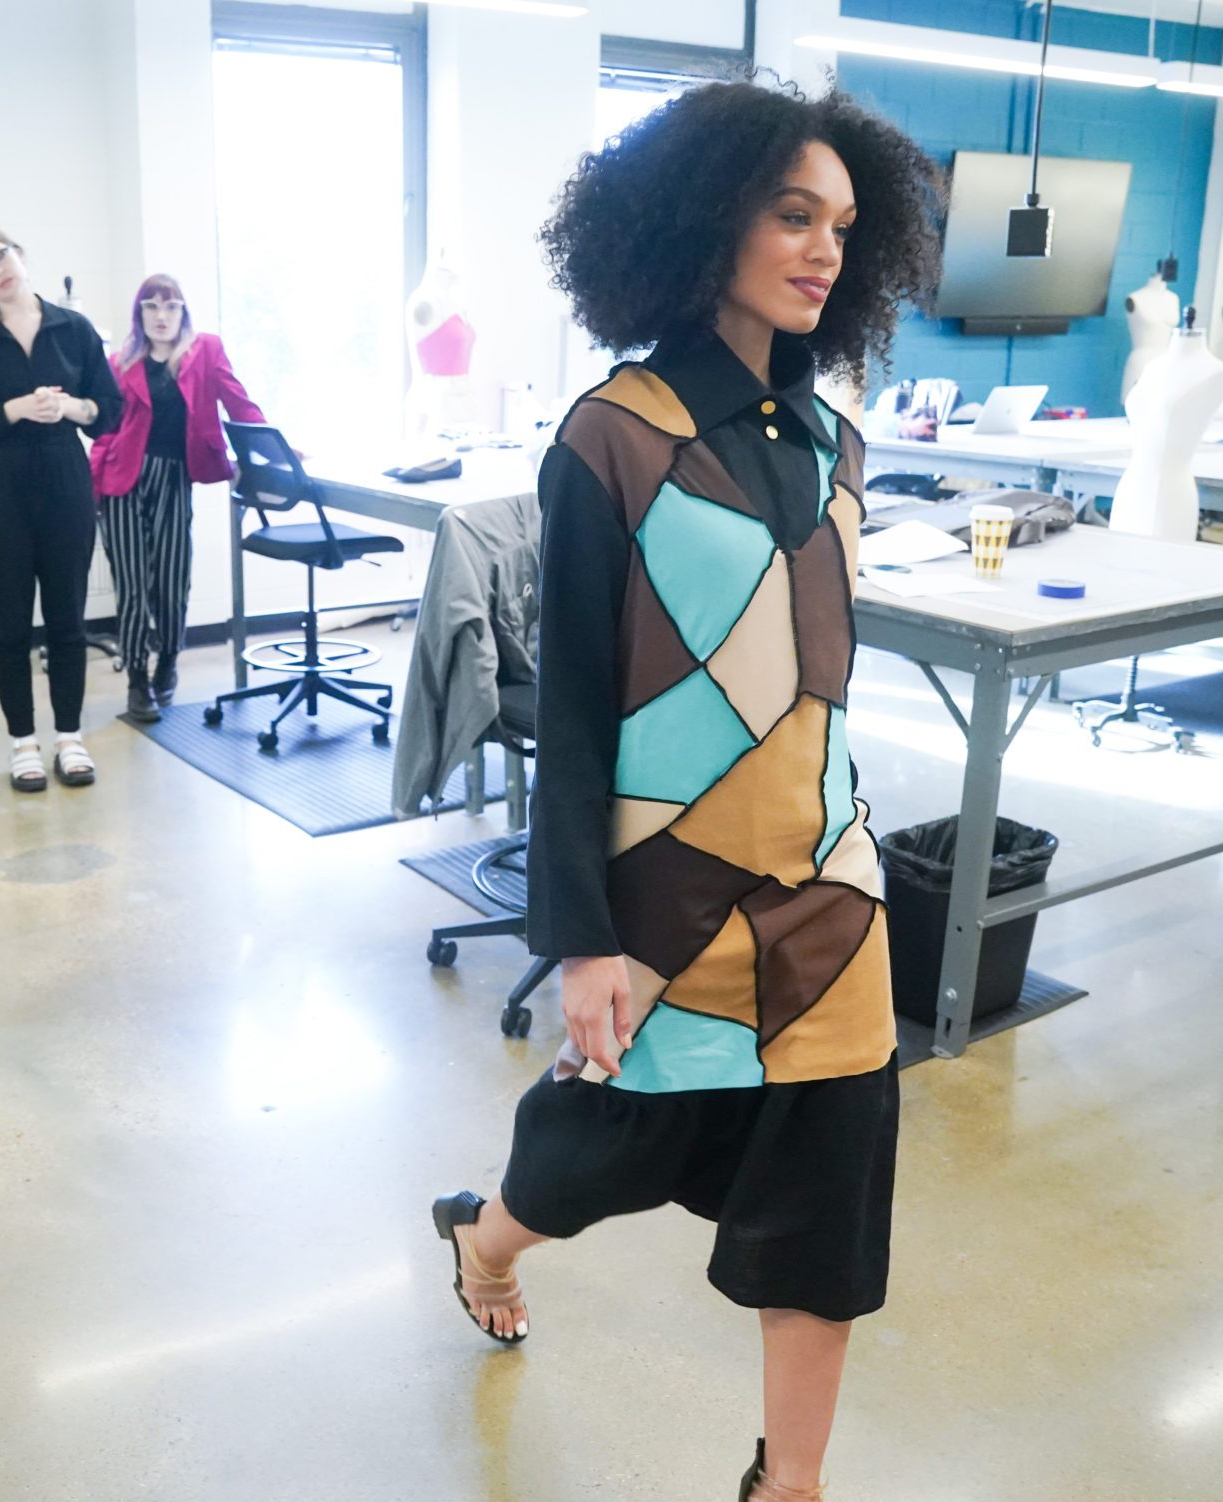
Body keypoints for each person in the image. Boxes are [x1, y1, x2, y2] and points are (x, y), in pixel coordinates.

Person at [431, 79, 940, 1502]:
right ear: (702, 219)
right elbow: (581, 710)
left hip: (834, 883)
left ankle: (791, 1483)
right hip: (666, 893)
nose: (824, 247)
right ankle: (485, 1238)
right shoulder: (615, 434)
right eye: (791, 214)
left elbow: (815, 674)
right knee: (610, 1144)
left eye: (843, 223)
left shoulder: (841, 442)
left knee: (831, 1201)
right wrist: (582, 932)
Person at [0, 227, 122, 792]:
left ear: (19, 254)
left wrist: (70, 407)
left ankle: (70, 737)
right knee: (11, 626)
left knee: (69, 620)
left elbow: (109, 409)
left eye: (0, 256)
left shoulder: (74, 328)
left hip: (66, 485)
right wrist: (16, 409)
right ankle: (23, 742)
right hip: (0, 495)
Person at [89, 275, 269, 721]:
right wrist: (90, 487)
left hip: (174, 478)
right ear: (140, 315)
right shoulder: (120, 363)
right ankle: (136, 679)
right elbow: (106, 431)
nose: (161, 316)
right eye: (151, 306)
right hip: (123, 481)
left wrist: (272, 445)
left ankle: (167, 661)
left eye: (170, 307)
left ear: (183, 312)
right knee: (132, 587)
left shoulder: (205, 351)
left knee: (171, 581)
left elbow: (238, 403)